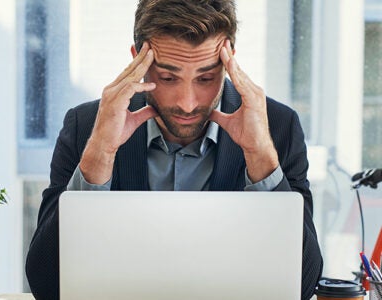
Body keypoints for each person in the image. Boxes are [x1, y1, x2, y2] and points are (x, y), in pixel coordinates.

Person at [25, 0, 323, 299]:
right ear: (136, 62)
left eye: (206, 78)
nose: (187, 102)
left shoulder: (277, 128)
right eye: (168, 78)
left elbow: (303, 285)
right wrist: (101, 152)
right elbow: (46, 284)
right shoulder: (87, 125)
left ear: (229, 59)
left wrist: (260, 155)